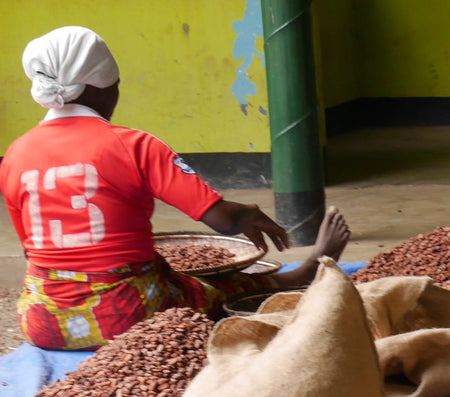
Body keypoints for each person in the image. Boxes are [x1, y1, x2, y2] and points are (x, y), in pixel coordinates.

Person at [0, 26, 350, 351]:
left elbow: (34, 252)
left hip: (43, 322)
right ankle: (301, 274)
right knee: (217, 289)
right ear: (100, 87)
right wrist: (248, 213)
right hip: (125, 317)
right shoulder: (133, 145)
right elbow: (222, 221)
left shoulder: (14, 155)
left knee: (160, 268)